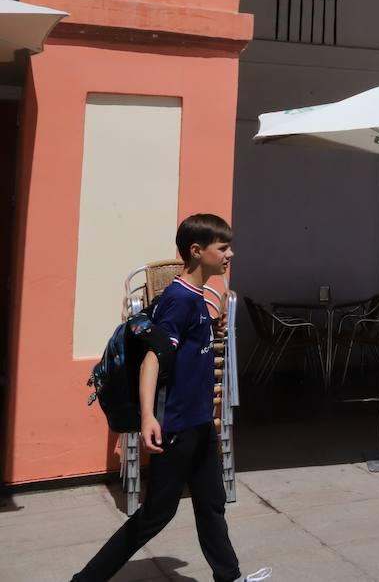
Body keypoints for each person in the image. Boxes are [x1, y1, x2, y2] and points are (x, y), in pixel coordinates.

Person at [73, 214, 270, 582]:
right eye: (223, 248)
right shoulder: (179, 299)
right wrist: (149, 417)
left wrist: (213, 327)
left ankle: (229, 577)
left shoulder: (195, 298)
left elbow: (186, 348)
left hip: (199, 424)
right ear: (198, 252)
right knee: (155, 516)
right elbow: (153, 357)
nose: (231, 254)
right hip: (176, 427)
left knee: (211, 505)